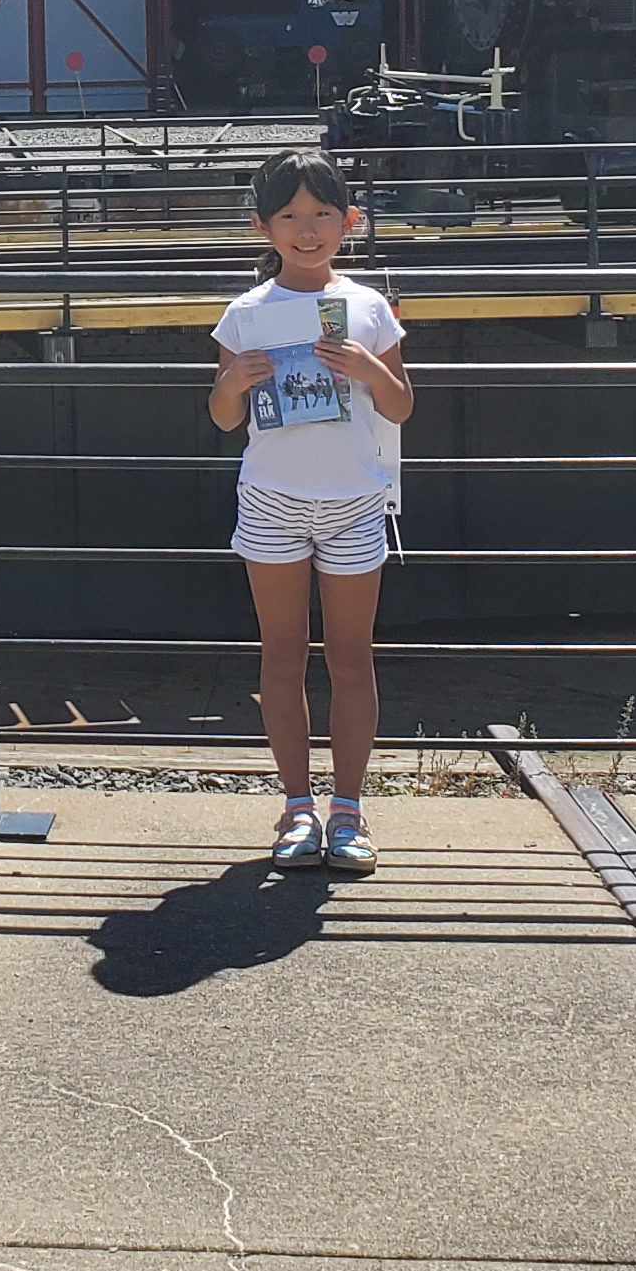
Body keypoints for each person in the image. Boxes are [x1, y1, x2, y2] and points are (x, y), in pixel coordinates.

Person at [207, 149, 414, 874]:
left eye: (322, 213)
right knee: (282, 654)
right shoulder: (245, 312)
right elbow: (223, 417)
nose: (307, 229)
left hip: (354, 501)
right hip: (272, 500)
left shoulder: (369, 306)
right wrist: (233, 381)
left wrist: (369, 368)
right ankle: (297, 806)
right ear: (262, 226)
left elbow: (401, 406)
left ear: (348, 222)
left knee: (352, 658)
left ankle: (348, 809)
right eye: (290, 216)